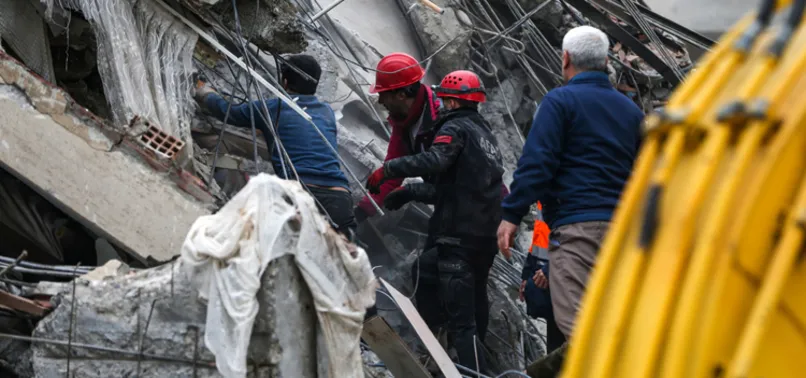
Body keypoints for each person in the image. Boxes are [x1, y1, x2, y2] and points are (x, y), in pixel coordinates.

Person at [497, 25, 644, 340]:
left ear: (565, 59)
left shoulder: (559, 102)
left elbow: (537, 163)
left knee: (580, 334)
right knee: (616, 327)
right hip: (624, 232)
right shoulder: (631, 111)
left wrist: (511, 214)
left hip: (577, 231)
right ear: (606, 61)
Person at [366, 70, 504, 376]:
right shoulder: (485, 138)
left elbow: (436, 160)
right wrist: (410, 192)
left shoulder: (454, 128)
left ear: (453, 102)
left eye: (444, 99)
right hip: (482, 237)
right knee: (426, 272)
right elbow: (459, 188)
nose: (440, 104)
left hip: (459, 239)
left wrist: (388, 170)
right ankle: (438, 347)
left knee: (462, 321)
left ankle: (469, 371)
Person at [194, 54, 357, 236]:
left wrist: (204, 93)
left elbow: (229, 112)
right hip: (341, 197)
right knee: (339, 255)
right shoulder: (326, 111)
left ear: (285, 82)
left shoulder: (275, 107)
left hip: (303, 194)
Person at [353, 52, 442, 223]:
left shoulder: (444, 116)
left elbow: (443, 163)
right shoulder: (404, 124)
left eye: (383, 94)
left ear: (401, 95)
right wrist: (360, 213)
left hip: (479, 204)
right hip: (450, 206)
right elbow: (393, 174)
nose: (380, 101)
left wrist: (411, 191)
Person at [519, 202, 566, 353]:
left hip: (566, 275)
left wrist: (550, 268)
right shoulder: (545, 193)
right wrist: (528, 272)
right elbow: (539, 238)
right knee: (555, 345)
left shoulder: (569, 187)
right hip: (547, 278)